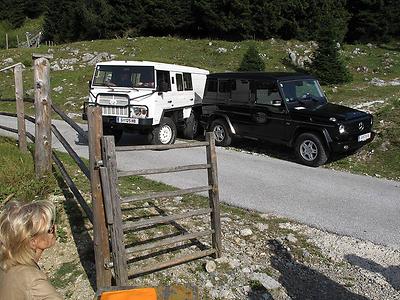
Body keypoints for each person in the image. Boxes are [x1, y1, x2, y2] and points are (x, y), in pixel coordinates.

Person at [0, 200, 62, 300]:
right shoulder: (34, 281)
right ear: (32, 243)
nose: (55, 228)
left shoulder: (5, 264)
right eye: (50, 229)